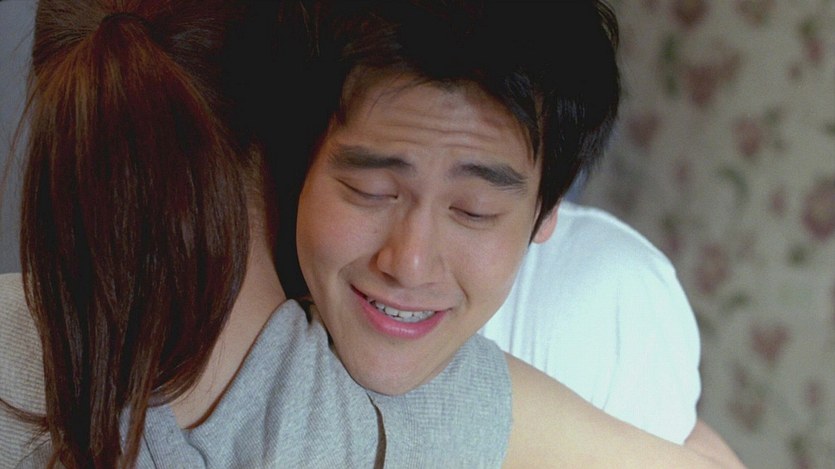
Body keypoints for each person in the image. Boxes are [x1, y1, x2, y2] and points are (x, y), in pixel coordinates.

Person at [291, 0, 731, 466]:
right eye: (372, 191)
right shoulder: (240, 273)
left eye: (473, 211)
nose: (410, 264)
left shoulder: (607, 305)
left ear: (546, 210)